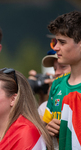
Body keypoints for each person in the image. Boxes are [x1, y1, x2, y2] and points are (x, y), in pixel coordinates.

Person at [42, 11, 81, 149]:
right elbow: (45, 126)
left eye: (62, 42)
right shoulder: (57, 84)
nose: (56, 48)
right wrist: (48, 128)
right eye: (55, 41)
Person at [37, 49, 71, 117]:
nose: (56, 73)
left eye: (63, 67)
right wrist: (44, 96)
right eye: (55, 69)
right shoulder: (46, 106)